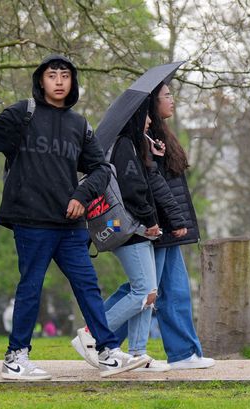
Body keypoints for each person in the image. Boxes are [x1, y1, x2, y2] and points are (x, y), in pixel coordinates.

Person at [0, 55, 148, 380]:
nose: (59, 81)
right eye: (52, 75)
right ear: (41, 80)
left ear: (73, 82)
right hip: (31, 220)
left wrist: (81, 197)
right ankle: (15, 358)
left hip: (70, 226)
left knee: (88, 286)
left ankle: (107, 352)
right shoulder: (23, 114)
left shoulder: (79, 125)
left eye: (65, 75)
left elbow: (101, 168)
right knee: (31, 287)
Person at [86, 83, 214, 370]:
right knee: (148, 289)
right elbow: (147, 186)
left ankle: (127, 346)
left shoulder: (153, 137)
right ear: (149, 106)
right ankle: (99, 336)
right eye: (166, 95)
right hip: (156, 225)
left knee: (154, 288)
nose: (172, 99)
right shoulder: (137, 140)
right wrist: (167, 222)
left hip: (163, 223)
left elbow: (162, 183)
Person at [73, 100, 170, 372]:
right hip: (130, 226)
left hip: (133, 225)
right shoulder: (124, 145)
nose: (150, 122)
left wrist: (153, 159)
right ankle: (92, 333)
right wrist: (150, 220)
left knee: (147, 291)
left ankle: (138, 353)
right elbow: (133, 188)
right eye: (147, 116)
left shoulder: (131, 146)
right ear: (136, 117)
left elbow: (144, 182)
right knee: (143, 290)